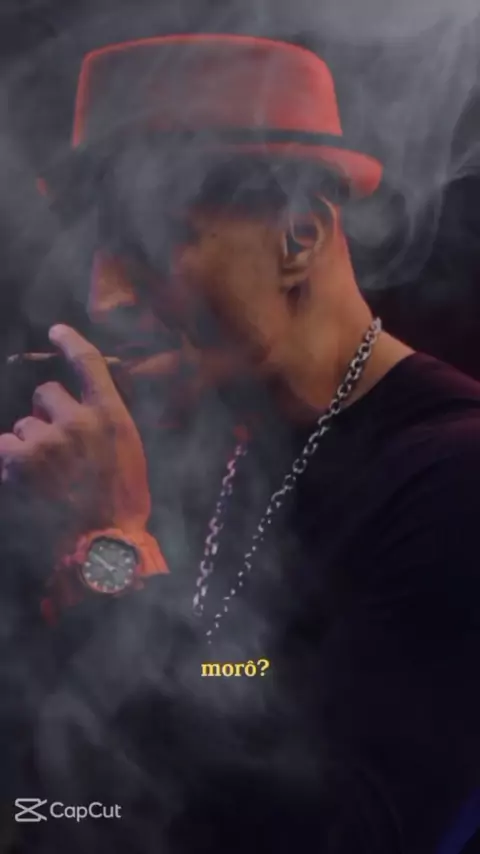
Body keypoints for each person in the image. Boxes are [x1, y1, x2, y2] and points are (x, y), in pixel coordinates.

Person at [1, 33, 480, 854]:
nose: (104, 299)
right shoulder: (207, 451)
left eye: (147, 244)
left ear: (297, 236)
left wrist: (108, 548)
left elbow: (349, 835)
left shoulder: (455, 479)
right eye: (97, 255)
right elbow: (137, 761)